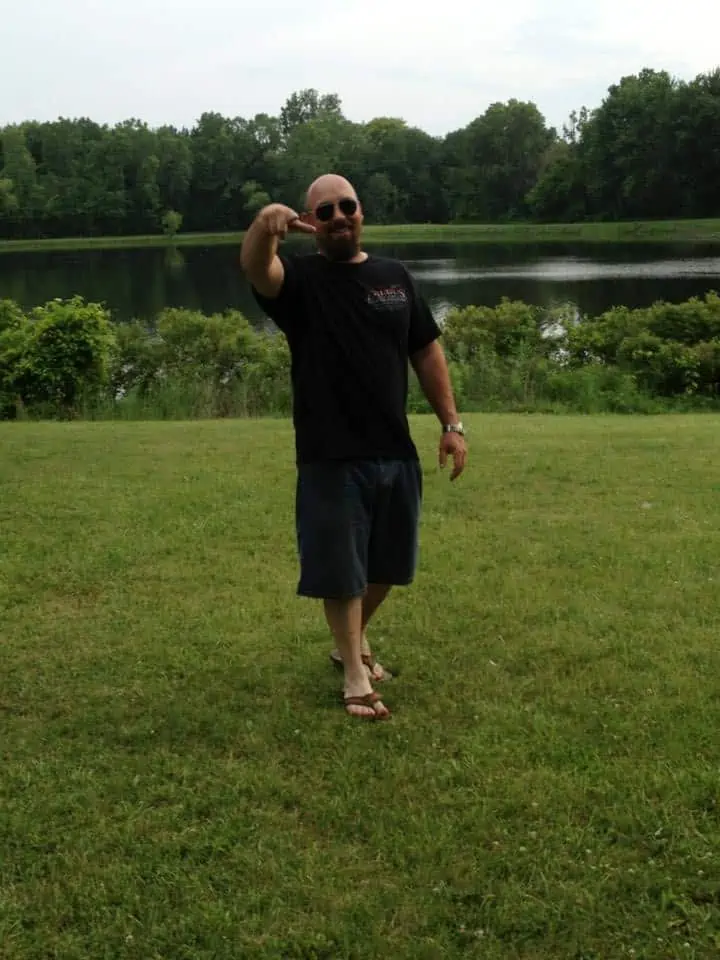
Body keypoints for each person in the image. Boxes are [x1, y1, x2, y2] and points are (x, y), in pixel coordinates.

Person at [240, 174, 467, 720]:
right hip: (330, 451)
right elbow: (256, 268)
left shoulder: (395, 277)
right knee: (342, 571)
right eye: (325, 211)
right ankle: (353, 673)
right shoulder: (299, 281)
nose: (339, 216)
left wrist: (452, 424)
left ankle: (353, 640)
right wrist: (264, 228)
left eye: (348, 206)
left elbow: (427, 353)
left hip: (395, 448)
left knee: (388, 566)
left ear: (361, 212)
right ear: (310, 221)